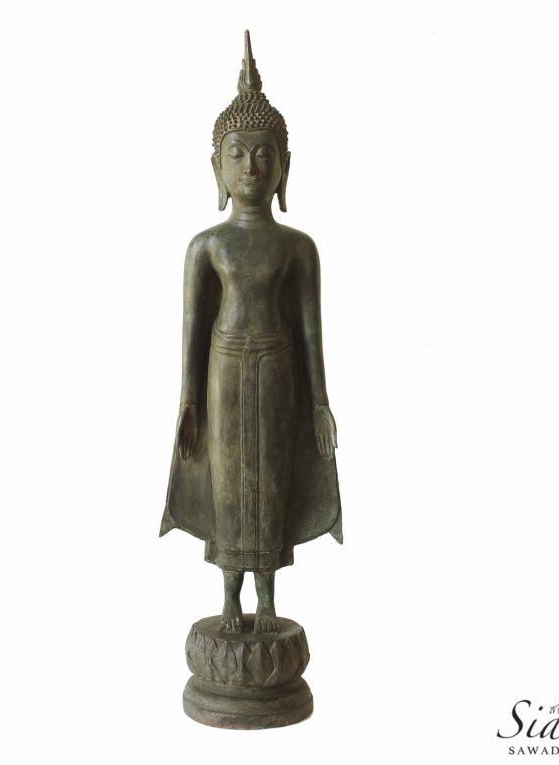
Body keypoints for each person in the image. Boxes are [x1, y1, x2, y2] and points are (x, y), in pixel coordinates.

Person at [160, 31, 342, 634]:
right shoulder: (206, 246)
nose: (251, 166)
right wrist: (188, 402)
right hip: (224, 371)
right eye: (237, 153)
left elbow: (312, 332)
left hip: (279, 368)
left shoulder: (298, 248)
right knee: (228, 485)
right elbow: (191, 333)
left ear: (285, 166)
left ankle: (266, 600)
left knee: (270, 480)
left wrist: (319, 402)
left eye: (264, 153)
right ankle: (229, 600)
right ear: (217, 166)